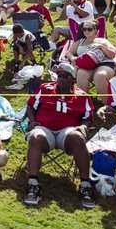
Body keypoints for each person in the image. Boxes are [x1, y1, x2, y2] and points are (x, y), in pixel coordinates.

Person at [23, 63, 95, 208]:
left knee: (78, 137)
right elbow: (30, 106)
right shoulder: (45, 88)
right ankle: (33, 184)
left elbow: (88, 117)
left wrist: (83, 126)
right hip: (44, 129)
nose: (61, 79)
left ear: (73, 79)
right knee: (36, 136)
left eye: (65, 77)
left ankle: (85, 185)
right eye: (59, 76)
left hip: (67, 132)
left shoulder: (82, 96)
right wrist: (32, 121)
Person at [64, 20, 116, 96]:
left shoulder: (102, 41)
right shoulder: (80, 42)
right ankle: (84, 100)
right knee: (81, 74)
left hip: (103, 64)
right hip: (85, 65)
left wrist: (101, 46)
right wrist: (73, 58)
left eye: (89, 29)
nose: (86, 31)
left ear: (95, 30)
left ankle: (107, 103)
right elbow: (68, 53)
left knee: (99, 76)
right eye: (84, 29)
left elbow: (112, 55)